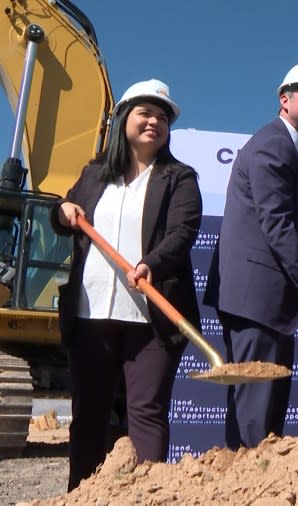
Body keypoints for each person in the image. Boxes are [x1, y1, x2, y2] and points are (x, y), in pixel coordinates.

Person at [51, 79, 201, 490]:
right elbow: (63, 212)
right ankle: (81, 495)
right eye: (145, 113)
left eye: (162, 116)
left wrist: (153, 262)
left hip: (151, 318)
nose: (154, 121)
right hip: (91, 313)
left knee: (146, 412)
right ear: (124, 120)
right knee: (89, 415)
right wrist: (62, 210)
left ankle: (144, 496)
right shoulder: (96, 173)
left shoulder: (179, 177)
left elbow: (183, 230)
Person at [204, 61, 298, 449]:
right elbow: (277, 224)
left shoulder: (293, 149)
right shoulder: (274, 144)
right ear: (284, 100)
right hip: (256, 297)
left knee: (263, 405)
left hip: (265, 299)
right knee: (256, 407)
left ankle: (254, 479)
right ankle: (252, 481)